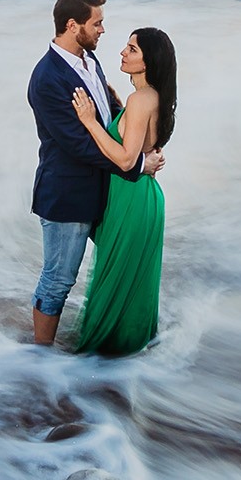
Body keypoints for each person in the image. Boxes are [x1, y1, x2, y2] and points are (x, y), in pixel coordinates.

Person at [27, 0, 161, 346]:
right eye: (97, 23)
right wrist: (137, 166)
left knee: (116, 268)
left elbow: (104, 112)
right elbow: (78, 144)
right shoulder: (47, 80)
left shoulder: (89, 60)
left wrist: (133, 125)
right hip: (68, 194)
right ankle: (39, 360)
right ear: (73, 25)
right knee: (58, 280)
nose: (103, 30)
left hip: (106, 190)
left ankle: (118, 334)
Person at [65, 25, 175, 356]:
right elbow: (139, 144)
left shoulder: (140, 100)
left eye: (132, 49)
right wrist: (116, 109)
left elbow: (127, 160)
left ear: (149, 61)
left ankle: (101, 358)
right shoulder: (149, 98)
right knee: (130, 283)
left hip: (131, 197)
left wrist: (90, 122)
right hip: (144, 197)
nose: (122, 53)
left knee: (113, 281)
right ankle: (126, 357)